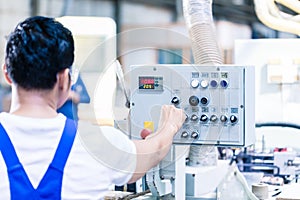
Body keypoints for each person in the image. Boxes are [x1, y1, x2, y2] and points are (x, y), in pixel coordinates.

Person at [0, 16, 186, 199]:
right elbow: (155, 149)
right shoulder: (96, 143)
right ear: (65, 79)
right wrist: (170, 124)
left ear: (7, 74)